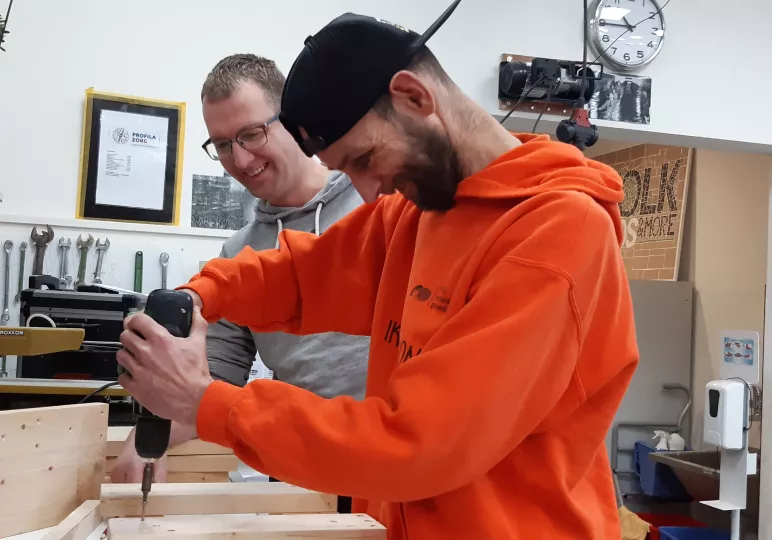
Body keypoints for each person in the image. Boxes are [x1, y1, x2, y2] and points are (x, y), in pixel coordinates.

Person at [116, 2, 639, 539]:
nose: (369, 192)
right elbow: (299, 277)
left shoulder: (557, 234)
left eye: (365, 159)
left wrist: (211, 406)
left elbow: (420, 445)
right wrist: (201, 295)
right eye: (347, 170)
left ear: (414, 97)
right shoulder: (417, 211)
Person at [109, 54, 370, 488]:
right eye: (223, 145)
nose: (242, 160)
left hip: (394, 457)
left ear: (292, 120)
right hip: (302, 470)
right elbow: (210, 380)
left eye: (251, 134)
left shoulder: (374, 201)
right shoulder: (237, 255)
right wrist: (147, 437)